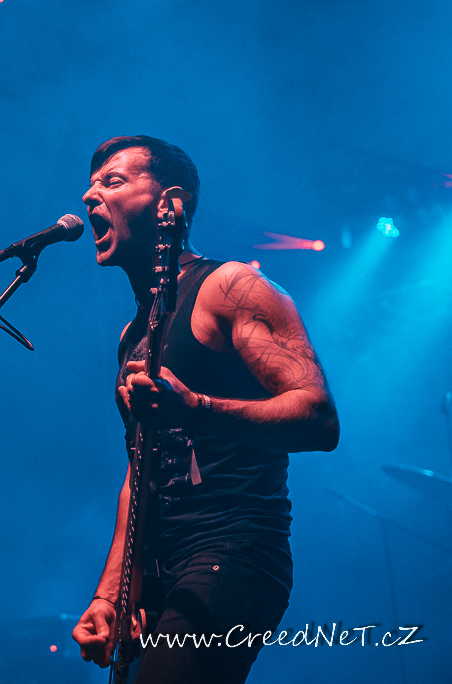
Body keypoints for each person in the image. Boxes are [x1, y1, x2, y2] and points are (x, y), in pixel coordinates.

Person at [70, 136, 340, 683]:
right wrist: (112, 592)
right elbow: (139, 472)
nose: (89, 195)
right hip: (159, 572)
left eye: (113, 181)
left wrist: (196, 409)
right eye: (91, 184)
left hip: (232, 547)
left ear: (171, 203)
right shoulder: (132, 336)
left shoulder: (230, 287)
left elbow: (319, 417)